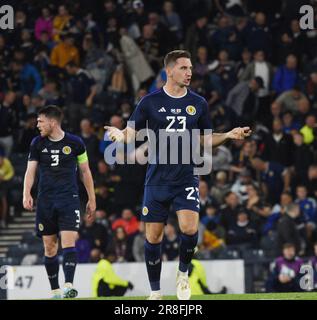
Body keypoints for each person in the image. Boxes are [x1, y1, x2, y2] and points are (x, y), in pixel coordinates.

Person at [105, 50, 251, 300]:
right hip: (157, 179)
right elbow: (131, 132)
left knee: (189, 229)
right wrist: (120, 135)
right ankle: (155, 292)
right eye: (184, 68)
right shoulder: (149, 102)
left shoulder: (199, 103)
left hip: (186, 176)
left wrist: (227, 135)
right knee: (153, 237)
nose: (189, 72)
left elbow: (205, 140)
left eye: (191, 68)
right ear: (169, 71)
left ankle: (183, 274)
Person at [23, 105, 96, 299]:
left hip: (68, 200)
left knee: (69, 242)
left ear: (52, 122)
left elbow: (85, 171)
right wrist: (26, 193)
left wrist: (92, 198)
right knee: (50, 247)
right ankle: (55, 291)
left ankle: (68, 286)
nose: (37, 125)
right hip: (45, 200)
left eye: (40, 121)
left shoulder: (76, 143)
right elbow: (30, 171)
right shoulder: (37, 143)